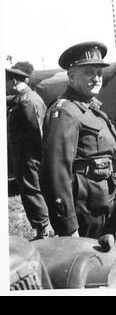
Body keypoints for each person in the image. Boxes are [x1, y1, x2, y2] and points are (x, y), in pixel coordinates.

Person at [41, 42, 116, 239]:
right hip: (84, 214)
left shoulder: (91, 108)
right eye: (89, 72)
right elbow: (55, 172)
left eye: (99, 73)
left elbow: (96, 157)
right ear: (71, 77)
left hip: (103, 206)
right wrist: (68, 225)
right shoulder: (65, 112)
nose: (97, 78)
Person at [6, 67, 53, 240]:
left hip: (30, 158)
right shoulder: (21, 99)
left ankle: (44, 230)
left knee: (32, 192)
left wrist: (43, 159)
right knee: (29, 192)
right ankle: (43, 228)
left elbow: (39, 131)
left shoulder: (27, 101)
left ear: (13, 82)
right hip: (24, 157)